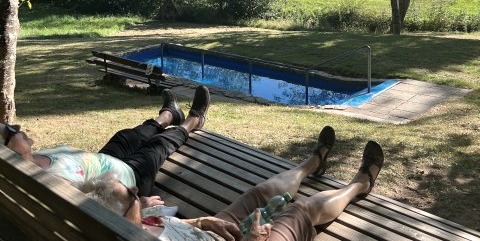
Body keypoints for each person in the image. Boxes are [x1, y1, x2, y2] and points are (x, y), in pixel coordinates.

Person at [77, 125, 384, 241]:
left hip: (212, 231)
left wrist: (202, 222)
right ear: (116, 221)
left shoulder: (130, 226)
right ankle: (360, 184)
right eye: (131, 196)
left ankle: (310, 165)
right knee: (300, 211)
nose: (136, 191)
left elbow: (172, 230)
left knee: (260, 193)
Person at [1, 85, 211, 197]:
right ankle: (194, 120)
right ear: (10, 152)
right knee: (156, 146)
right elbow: (93, 204)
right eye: (10, 132)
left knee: (126, 136)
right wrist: (136, 203)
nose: (17, 127)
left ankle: (169, 115)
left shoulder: (26, 166)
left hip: (102, 162)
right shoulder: (51, 185)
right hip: (126, 179)